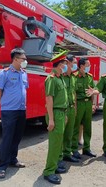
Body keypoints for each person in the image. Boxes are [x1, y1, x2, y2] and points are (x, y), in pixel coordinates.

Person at [0, 48, 29, 179]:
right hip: (9, 111)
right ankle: (2, 166)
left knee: (17, 137)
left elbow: (24, 90)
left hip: (21, 110)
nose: (25, 61)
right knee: (7, 138)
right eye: (23, 59)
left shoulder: (24, 73)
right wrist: (5, 104)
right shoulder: (4, 73)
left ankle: (13, 159)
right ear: (15, 59)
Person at [43, 57, 68, 185]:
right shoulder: (51, 79)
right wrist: (51, 119)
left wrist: (65, 114)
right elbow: (49, 99)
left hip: (61, 113)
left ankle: (55, 165)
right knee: (54, 144)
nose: (66, 66)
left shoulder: (60, 78)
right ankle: (49, 171)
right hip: (55, 113)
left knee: (58, 143)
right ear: (59, 65)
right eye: (64, 63)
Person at [71, 57, 97, 159]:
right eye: (88, 65)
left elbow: (92, 91)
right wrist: (75, 107)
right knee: (76, 127)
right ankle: (74, 149)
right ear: (81, 66)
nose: (89, 67)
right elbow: (74, 94)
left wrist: (93, 104)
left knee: (88, 127)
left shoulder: (89, 77)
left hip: (88, 104)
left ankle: (87, 148)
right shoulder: (74, 77)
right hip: (79, 104)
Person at [60, 55, 79, 163]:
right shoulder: (61, 76)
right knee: (61, 134)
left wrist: (75, 108)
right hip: (63, 109)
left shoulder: (73, 77)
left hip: (72, 109)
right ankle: (59, 156)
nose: (75, 65)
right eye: (74, 62)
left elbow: (74, 93)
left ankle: (67, 153)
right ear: (67, 63)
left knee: (69, 133)